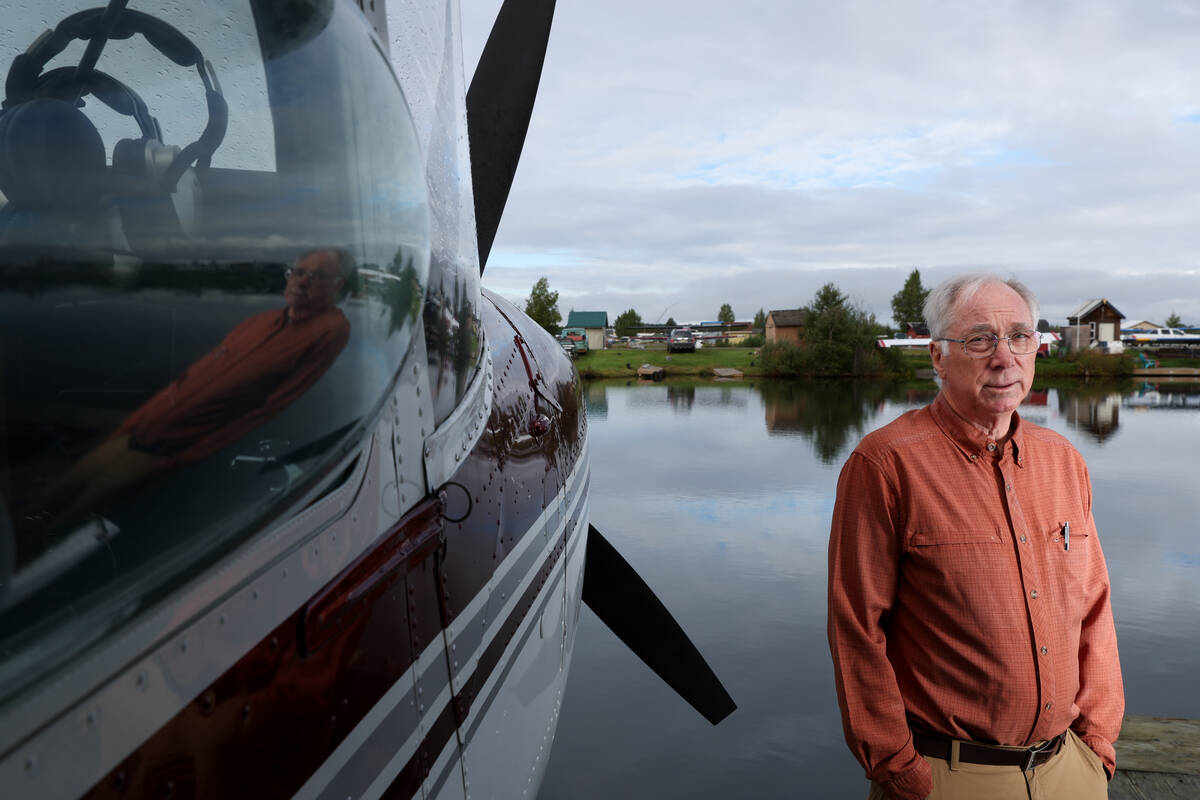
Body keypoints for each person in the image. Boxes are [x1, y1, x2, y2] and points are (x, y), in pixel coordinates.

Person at [827, 273, 1123, 800]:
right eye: (980, 339)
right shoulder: (885, 465)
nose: (1004, 357)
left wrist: (1096, 747)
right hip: (949, 778)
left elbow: (1094, 610)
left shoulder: (1064, 461)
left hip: (1070, 773)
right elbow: (856, 630)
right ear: (938, 357)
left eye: (1019, 337)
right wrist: (900, 772)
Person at [21, 247, 352, 539]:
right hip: (143, 429)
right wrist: (130, 425)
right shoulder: (259, 321)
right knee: (58, 490)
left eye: (318, 276)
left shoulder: (330, 331)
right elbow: (187, 380)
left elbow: (273, 407)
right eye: (299, 272)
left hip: (177, 446)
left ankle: (26, 559)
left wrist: (190, 456)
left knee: (77, 511)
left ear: (336, 286)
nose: (302, 281)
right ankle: (19, 538)